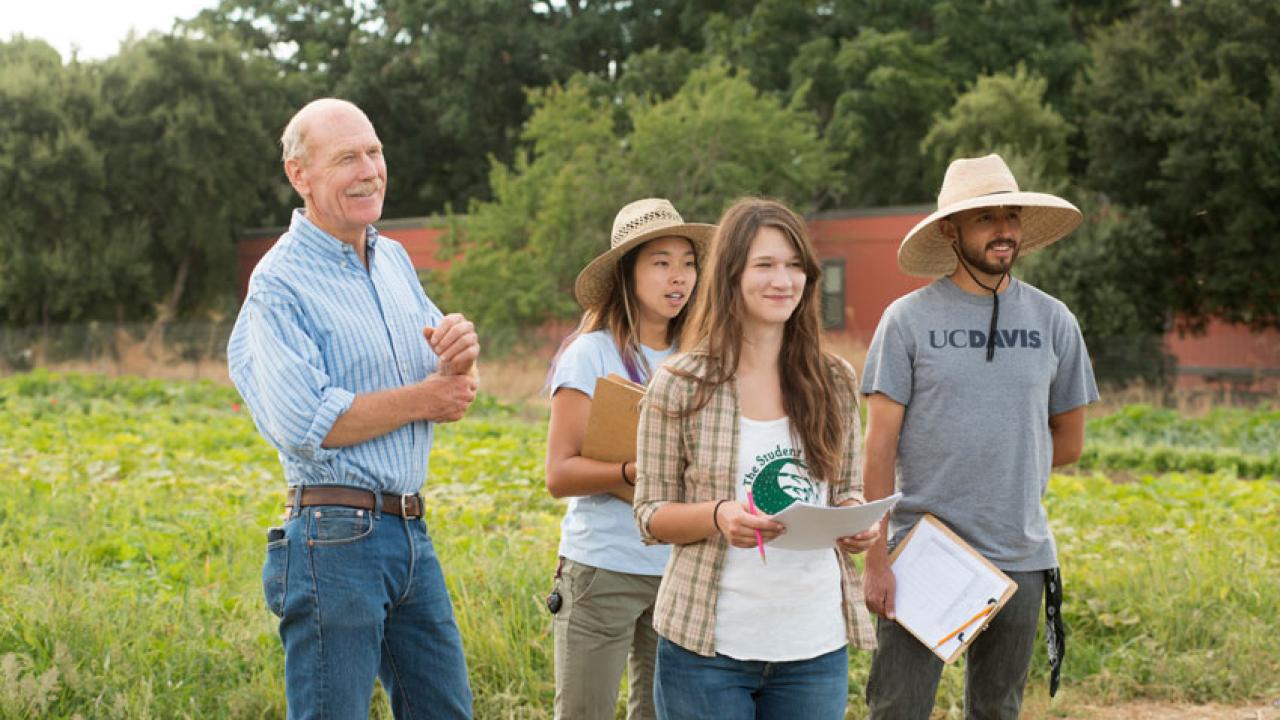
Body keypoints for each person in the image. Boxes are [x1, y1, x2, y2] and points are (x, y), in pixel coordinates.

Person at [228, 98, 479, 719]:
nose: (369, 169)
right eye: (347, 158)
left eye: (374, 152)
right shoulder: (278, 283)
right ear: (299, 175)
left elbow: (443, 377)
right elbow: (308, 422)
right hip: (333, 542)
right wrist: (429, 396)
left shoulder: (391, 258)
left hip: (410, 531)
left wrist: (460, 351)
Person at [860, 153, 1099, 719]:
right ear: (951, 230)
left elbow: (1068, 442)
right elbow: (877, 449)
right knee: (897, 709)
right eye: (986, 218)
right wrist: (877, 559)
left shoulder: (1053, 320)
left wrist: (1005, 459)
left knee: (998, 710)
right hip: (924, 552)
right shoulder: (906, 320)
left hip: (1020, 554)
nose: (1004, 231)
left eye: (1011, 216)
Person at [633, 198, 878, 720]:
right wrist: (719, 516)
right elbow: (649, 513)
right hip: (707, 650)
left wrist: (855, 521)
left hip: (813, 646)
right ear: (731, 276)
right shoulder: (679, 385)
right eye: (765, 265)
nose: (783, 280)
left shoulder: (835, 381)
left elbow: (847, 489)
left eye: (794, 266)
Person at [544, 198, 712, 720]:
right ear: (628, 272)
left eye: (687, 263)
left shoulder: (702, 357)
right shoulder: (589, 353)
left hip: (678, 568)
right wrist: (630, 472)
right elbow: (559, 474)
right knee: (584, 712)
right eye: (661, 263)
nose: (677, 277)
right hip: (603, 570)